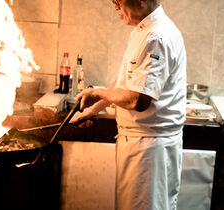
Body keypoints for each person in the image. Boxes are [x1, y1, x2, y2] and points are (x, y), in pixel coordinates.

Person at [70, 0, 186, 209]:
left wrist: (97, 92)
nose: (115, 7)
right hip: (140, 144)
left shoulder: (156, 37)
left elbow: (137, 99)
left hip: (148, 149)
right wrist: (93, 109)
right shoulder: (142, 30)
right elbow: (124, 82)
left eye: (118, 1)